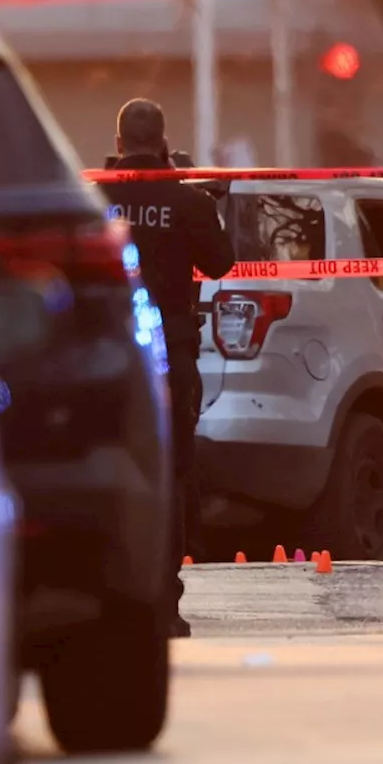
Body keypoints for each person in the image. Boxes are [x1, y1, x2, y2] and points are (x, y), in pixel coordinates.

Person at [96, 98, 235, 638]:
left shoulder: (91, 197)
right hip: (171, 353)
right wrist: (199, 198)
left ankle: (115, 594)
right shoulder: (187, 202)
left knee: (112, 469)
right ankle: (163, 602)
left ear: (118, 143)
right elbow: (221, 261)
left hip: (109, 358)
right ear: (161, 141)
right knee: (171, 473)